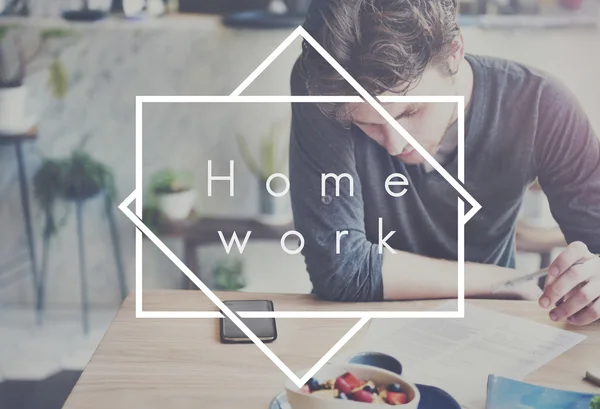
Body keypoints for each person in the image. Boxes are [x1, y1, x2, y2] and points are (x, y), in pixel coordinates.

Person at [288, 0, 600, 325]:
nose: (395, 144)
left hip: (493, 324)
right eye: (365, 123)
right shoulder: (326, 87)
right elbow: (340, 269)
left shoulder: (540, 104)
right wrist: (501, 282)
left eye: (410, 112)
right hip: (367, 330)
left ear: (454, 51)